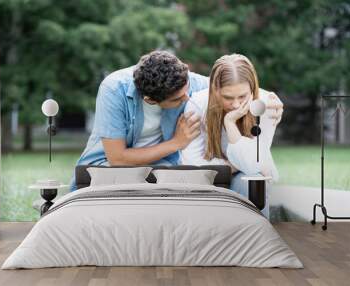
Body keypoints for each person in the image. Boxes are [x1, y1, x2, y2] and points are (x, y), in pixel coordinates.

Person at [70, 50, 208, 191]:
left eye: (187, 89)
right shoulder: (114, 90)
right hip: (108, 168)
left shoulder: (190, 81)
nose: (187, 98)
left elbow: (225, 84)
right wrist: (176, 143)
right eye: (177, 99)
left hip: (164, 168)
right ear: (150, 100)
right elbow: (117, 159)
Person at [180, 54, 284, 218]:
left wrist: (230, 122)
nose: (236, 104)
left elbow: (252, 165)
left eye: (242, 96)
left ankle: (258, 240)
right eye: (227, 97)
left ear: (252, 89)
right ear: (214, 89)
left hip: (244, 177)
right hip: (209, 180)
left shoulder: (267, 105)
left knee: (252, 181)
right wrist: (234, 165)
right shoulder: (197, 105)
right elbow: (194, 165)